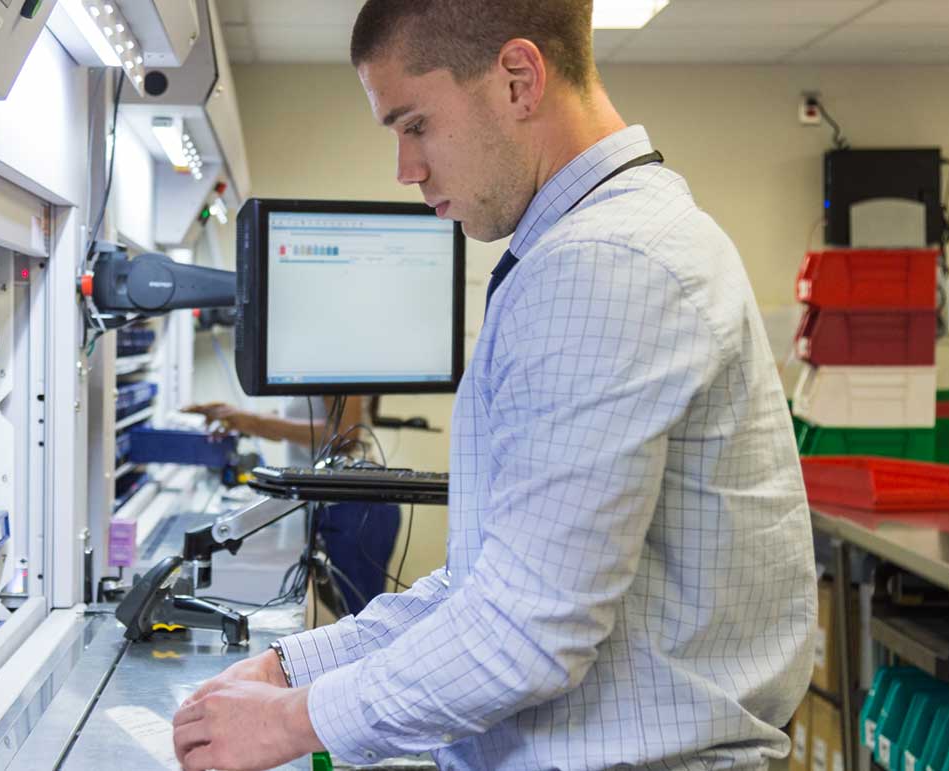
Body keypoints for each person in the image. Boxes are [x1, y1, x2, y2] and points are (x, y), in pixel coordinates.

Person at [170, 1, 816, 770]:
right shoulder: (587, 249)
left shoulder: (604, 264)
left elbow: (524, 630)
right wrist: (290, 669)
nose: (406, 169)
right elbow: (487, 584)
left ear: (518, 79)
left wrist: (288, 722)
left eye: (414, 125)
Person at [183, 397, 403, 613]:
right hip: (326, 500)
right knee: (348, 612)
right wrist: (237, 418)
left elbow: (345, 434)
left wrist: (253, 421)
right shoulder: (298, 368)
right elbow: (298, 420)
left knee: (364, 619)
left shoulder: (336, 361)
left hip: (355, 505)